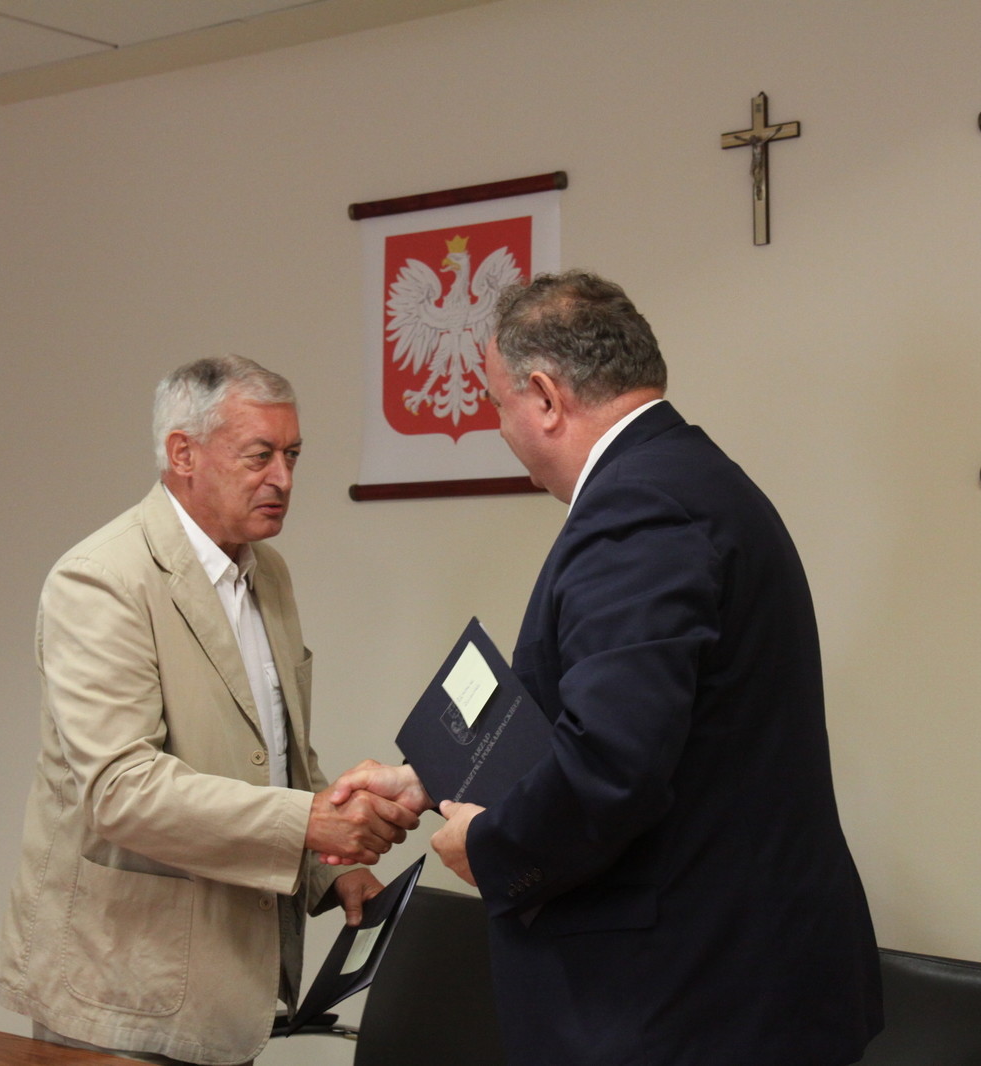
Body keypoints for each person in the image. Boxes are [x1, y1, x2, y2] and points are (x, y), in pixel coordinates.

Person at [338, 271, 884, 1065]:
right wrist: (430, 778)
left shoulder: (639, 509)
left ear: (545, 397)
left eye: (496, 402)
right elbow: (600, 715)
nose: (497, 425)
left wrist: (491, 846)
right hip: (724, 986)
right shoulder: (687, 480)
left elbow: (611, 762)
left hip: (685, 1004)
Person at [0, 355, 419, 1066]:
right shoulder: (101, 579)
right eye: (260, 456)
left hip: (226, 984)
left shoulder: (267, 573)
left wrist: (331, 865)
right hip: (122, 991)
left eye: (292, 455)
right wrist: (309, 823)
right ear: (182, 454)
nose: (283, 479)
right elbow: (122, 791)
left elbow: (279, 754)